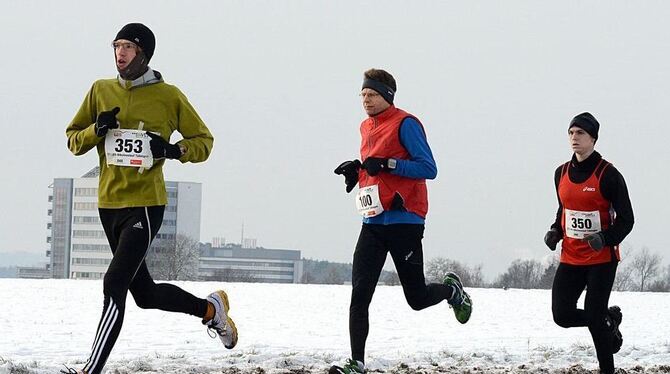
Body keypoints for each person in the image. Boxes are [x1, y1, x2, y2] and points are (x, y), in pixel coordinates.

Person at [64, 23, 236, 374]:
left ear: (143, 53)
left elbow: (204, 140)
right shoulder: (100, 90)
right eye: (117, 46)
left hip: (145, 204)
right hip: (108, 204)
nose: (120, 53)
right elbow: (72, 139)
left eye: (128, 46)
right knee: (144, 294)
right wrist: (96, 130)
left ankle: (91, 369)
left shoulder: (169, 96)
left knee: (114, 282)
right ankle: (211, 310)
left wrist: (174, 150)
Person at [330, 69, 472, 374]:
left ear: (387, 96)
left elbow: (428, 168)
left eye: (372, 94)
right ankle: (357, 363)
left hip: (405, 219)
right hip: (373, 222)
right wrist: (357, 172)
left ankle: (452, 291)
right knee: (360, 294)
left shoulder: (406, 123)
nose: (366, 100)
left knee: (417, 298)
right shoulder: (365, 127)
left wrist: (388, 163)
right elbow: (375, 169)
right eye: (363, 95)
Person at [544, 112, 634, 374]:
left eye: (580, 133)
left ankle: (607, 369)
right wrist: (555, 231)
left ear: (593, 138)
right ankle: (609, 320)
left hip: (602, 259)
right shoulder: (560, 173)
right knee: (561, 315)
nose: (574, 138)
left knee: (593, 316)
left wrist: (605, 238)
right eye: (571, 133)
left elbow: (627, 220)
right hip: (571, 258)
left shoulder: (609, 175)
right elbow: (564, 210)